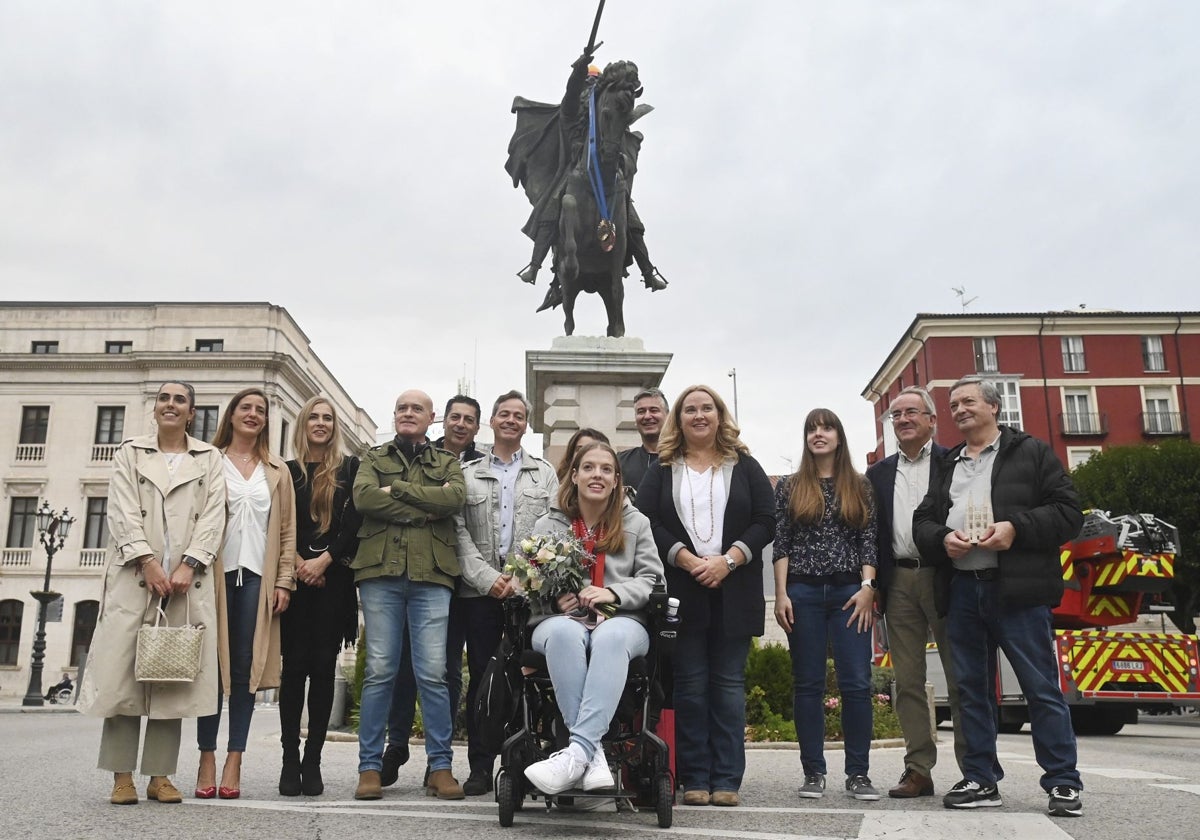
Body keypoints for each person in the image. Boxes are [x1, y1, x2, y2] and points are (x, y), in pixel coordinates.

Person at [913, 376, 1085, 817]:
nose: (959, 410)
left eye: (968, 401)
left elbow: (1068, 514)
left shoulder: (1031, 452)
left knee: (1040, 687)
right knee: (971, 690)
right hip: (963, 590)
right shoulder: (948, 463)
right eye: (953, 405)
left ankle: (1063, 783)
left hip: (1018, 591)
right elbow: (923, 521)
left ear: (994, 406)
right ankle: (981, 779)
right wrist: (941, 539)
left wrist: (1016, 528)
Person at [78, 381, 226, 804]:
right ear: (155, 407)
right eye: (164, 398)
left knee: (172, 675)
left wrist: (189, 563)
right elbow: (121, 510)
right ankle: (121, 776)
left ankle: (160, 775)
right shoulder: (130, 452)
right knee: (123, 676)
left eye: (180, 400)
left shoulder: (208, 457)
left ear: (192, 412)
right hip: (134, 577)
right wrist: (148, 561)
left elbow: (215, 514)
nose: (171, 405)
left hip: (185, 583)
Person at [634, 385, 775, 807]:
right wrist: (685, 559)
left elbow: (766, 520)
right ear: (678, 419)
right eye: (689, 409)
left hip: (734, 587)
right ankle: (694, 776)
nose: (698, 415)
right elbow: (646, 520)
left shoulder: (745, 465)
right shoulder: (661, 467)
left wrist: (728, 560)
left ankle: (727, 778)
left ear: (719, 416)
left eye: (706, 408)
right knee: (692, 687)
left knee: (728, 686)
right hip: (684, 589)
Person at [522, 442, 664, 797]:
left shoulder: (636, 522)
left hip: (622, 621)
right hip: (559, 621)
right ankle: (591, 755)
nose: (596, 475)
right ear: (574, 475)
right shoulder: (548, 523)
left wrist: (613, 594)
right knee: (567, 635)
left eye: (605, 469)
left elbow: (653, 580)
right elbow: (525, 579)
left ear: (617, 480)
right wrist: (554, 598)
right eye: (588, 468)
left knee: (609, 637)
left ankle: (576, 752)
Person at [352, 390, 467, 801]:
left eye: (416, 409)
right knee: (380, 670)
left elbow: (454, 499)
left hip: (432, 575)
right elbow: (363, 498)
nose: (408, 413)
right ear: (395, 415)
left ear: (431, 418)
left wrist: (394, 492)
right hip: (380, 571)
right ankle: (369, 768)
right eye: (402, 408)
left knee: (433, 673)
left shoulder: (448, 462)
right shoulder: (373, 457)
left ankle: (440, 767)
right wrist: (421, 504)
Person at [452, 391, 559, 794]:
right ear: (492, 422)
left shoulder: (544, 473)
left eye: (518, 415)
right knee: (483, 678)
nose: (511, 420)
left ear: (526, 424)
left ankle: (523, 762)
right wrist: (485, 577)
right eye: (504, 414)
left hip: (527, 595)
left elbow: (554, 526)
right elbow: (456, 531)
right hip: (479, 593)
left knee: (528, 676)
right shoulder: (469, 472)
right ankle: (480, 766)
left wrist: (522, 576)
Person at [773, 409, 881, 802]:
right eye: (812, 429)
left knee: (856, 683)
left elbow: (868, 540)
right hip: (802, 594)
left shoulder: (860, 486)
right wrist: (781, 594)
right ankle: (813, 772)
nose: (819, 434)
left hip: (851, 596)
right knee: (808, 685)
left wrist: (869, 586)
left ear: (839, 436)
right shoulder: (789, 486)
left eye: (827, 427)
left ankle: (858, 775)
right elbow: (781, 543)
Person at [508, 51, 667, 313]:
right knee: (553, 207)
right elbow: (570, 95)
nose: (591, 85)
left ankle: (648, 271)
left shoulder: (610, 109)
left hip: (608, 175)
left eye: (595, 80)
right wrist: (578, 70)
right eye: (588, 81)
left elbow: (620, 136)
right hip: (575, 173)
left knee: (633, 222)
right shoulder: (573, 114)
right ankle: (535, 265)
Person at [865, 387, 966, 798]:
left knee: (961, 679)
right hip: (899, 581)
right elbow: (870, 534)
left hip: (945, 578)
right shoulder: (878, 474)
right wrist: (873, 586)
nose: (903, 419)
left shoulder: (955, 462)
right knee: (907, 681)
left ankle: (973, 770)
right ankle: (918, 770)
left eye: (911, 412)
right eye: (896, 414)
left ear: (931, 419)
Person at [196, 387, 296, 799]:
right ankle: (206, 756)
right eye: (245, 408)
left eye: (260, 410)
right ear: (231, 416)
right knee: (210, 671)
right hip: (211, 577)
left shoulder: (277, 470)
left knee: (245, 672)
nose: (253, 414)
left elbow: (288, 531)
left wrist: (284, 580)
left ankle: (235, 757)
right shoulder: (208, 462)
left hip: (257, 577)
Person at [382, 393, 484, 786]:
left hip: (467, 581)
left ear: (477, 427)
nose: (461, 424)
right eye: (455, 417)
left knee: (446, 673)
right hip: (425, 573)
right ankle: (396, 747)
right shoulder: (422, 454)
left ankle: (437, 764)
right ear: (443, 420)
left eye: (469, 419)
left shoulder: (481, 463)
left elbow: (452, 503)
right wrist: (430, 503)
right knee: (405, 667)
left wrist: (432, 502)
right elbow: (395, 497)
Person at [278, 396, 362, 796]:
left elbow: (354, 524)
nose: (321, 423)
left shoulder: (349, 470)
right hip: (294, 584)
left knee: (324, 671)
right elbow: (276, 523)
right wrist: (298, 564)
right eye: (314, 416)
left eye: (328, 418)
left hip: (333, 584)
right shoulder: (286, 472)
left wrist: (323, 562)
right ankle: (289, 760)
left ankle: (313, 761)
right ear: (303, 423)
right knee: (293, 672)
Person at [617, 387, 668, 497]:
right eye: (641, 411)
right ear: (635, 420)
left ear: (667, 416)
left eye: (654, 410)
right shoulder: (620, 461)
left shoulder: (683, 459)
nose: (647, 416)